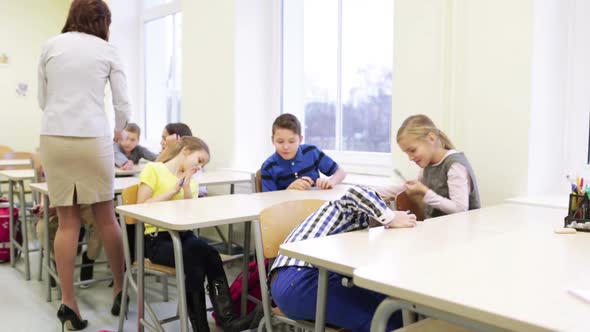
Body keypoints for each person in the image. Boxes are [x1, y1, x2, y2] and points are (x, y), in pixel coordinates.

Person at [37, 0, 128, 329]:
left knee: (67, 221)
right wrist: (119, 129)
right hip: (92, 136)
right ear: (103, 20)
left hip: (54, 135)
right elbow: (122, 102)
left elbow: (42, 99)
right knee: (106, 217)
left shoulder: (51, 45)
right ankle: (120, 289)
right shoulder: (107, 50)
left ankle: (68, 303)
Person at [137, 136, 257, 332]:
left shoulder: (191, 184)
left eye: (203, 164)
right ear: (185, 151)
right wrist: (172, 190)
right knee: (194, 262)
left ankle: (227, 318)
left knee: (212, 256)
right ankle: (201, 326)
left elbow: (188, 216)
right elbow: (140, 206)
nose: (199, 166)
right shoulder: (154, 169)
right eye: (199, 160)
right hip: (157, 239)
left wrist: (184, 189)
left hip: (183, 236)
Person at [269, 186, 417, 332]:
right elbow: (357, 192)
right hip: (296, 277)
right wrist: (391, 218)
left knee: (400, 307)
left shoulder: (357, 228)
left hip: (314, 278)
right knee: (387, 321)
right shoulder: (346, 210)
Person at [377, 114, 480, 219]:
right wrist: (370, 193)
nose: (410, 158)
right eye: (406, 153)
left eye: (412, 150)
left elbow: (460, 209)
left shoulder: (454, 165)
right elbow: (408, 188)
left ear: (431, 138)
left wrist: (425, 192)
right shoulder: (427, 165)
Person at [261, 113, 346, 192]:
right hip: (286, 207)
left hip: (315, 205)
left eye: (291, 141)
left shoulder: (312, 152)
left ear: (300, 140)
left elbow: (341, 172)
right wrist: (290, 189)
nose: (286, 147)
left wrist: (330, 182)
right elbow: (269, 200)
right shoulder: (268, 167)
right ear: (272, 140)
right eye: (280, 142)